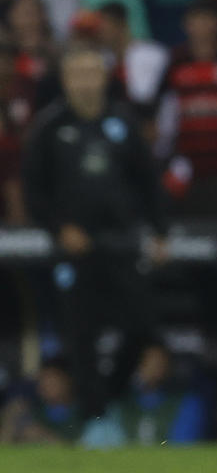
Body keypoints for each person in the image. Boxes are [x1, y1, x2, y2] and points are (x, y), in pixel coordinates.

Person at [21, 41, 167, 415]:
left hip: (122, 243)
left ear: (103, 77)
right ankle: (94, 421)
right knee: (80, 337)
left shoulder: (123, 123)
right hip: (74, 248)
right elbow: (33, 191)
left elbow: (148, 182)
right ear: (65, 80)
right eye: (77, 74)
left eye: (91, 72)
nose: (85, 81)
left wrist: (160, 231)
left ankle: (112, 397)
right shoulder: (49, 127)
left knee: (141, 327)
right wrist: (60, 229)